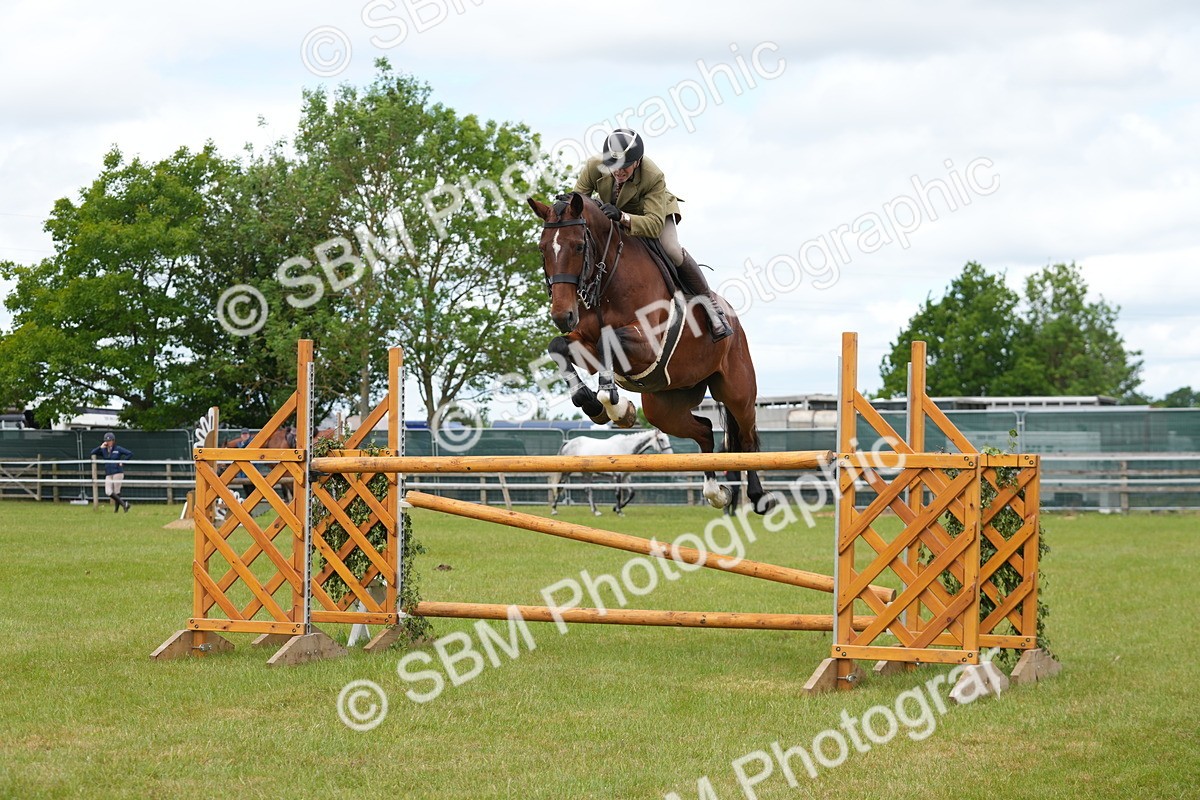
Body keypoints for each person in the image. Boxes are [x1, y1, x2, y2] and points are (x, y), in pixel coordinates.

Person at [572, 128, 731, 340]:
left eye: (625, 167)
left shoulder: (653, 176)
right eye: (614, 167)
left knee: (672, 249)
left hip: (653, 214)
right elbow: (578, 202)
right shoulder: (595, 166)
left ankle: (711, 307)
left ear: (637, 162)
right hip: (613, 213)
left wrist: (622, 217)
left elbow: (654, 224)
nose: (619, 172)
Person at [89, 432, 133, 512]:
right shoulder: (103, 450)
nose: (108, 442)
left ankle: (116, 510)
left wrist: (123, 462)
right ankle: (124, 504)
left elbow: (129, 453)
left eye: (110, 441)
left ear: (113, 441)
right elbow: (92, 452)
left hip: (117, 472)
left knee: (117, 491)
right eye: (107, 441)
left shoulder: (118, 449)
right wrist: (100, 447)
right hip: (108, 473)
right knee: (108, 491)